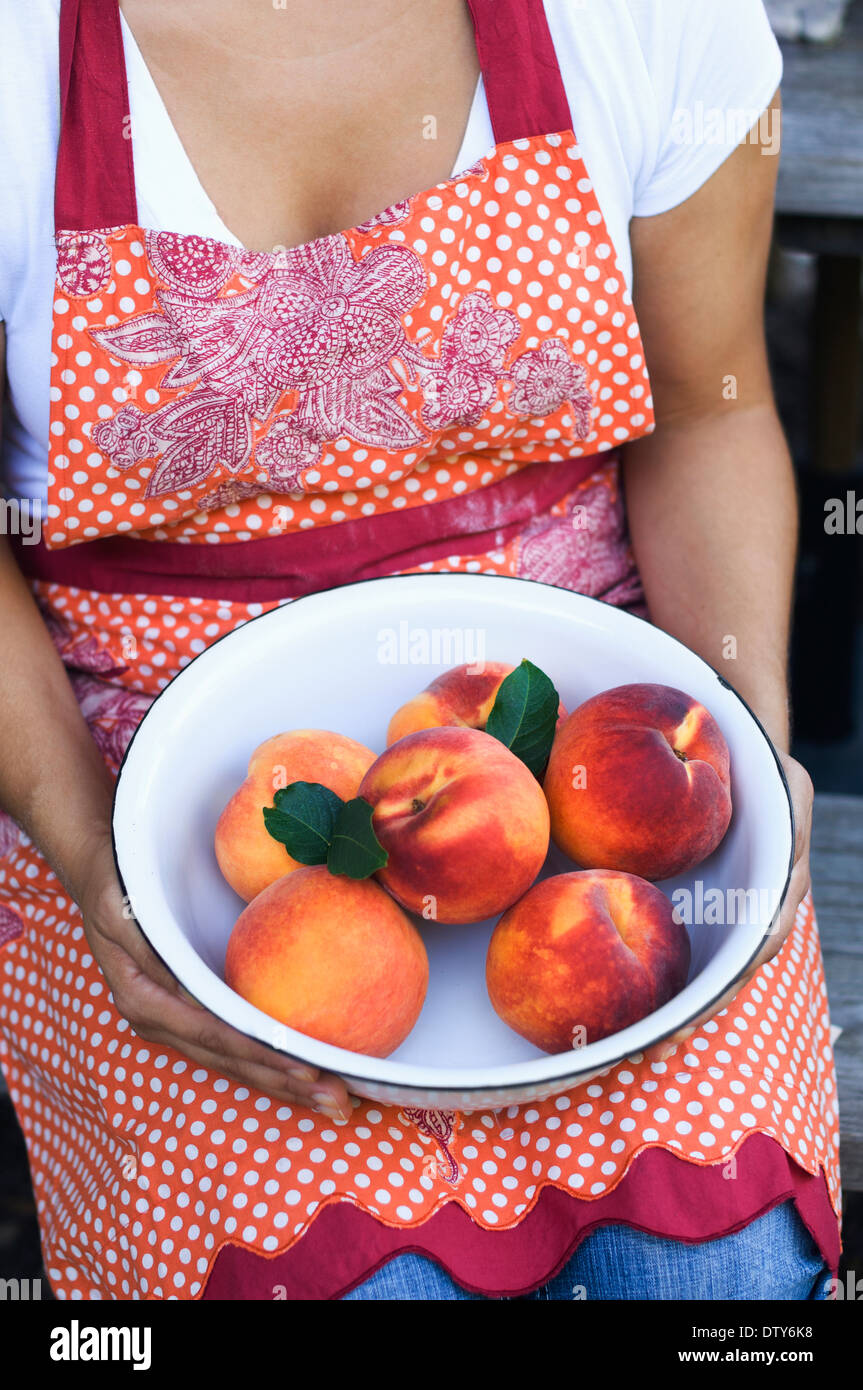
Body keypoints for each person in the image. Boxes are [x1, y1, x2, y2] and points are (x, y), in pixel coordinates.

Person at [0, 0, 838, 1300]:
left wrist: (742, 731)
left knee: (714, 1275)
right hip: (137, 786)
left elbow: (711, 412)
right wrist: (90, 850)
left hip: (585, 749)